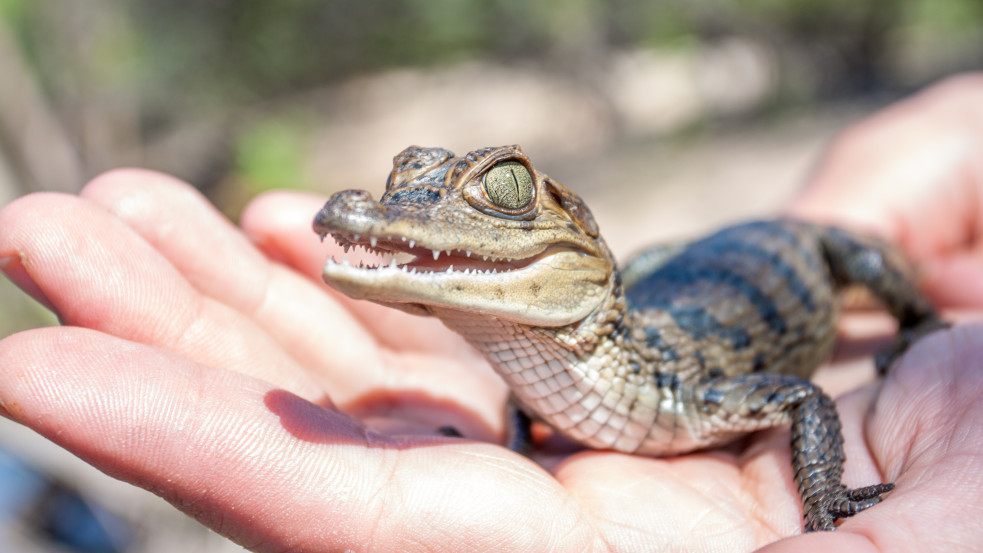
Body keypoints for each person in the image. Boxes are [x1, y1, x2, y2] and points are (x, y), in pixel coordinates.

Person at [1, 74, 981, 552]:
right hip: (658, 279)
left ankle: (910, 309)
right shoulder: (557, 348)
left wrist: (827, 503)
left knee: (847, 247)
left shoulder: (683, 393)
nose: (383, 210)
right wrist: (527, 425)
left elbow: (805, 398)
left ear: (573, 251)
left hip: (774, 259)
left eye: (503, 191)